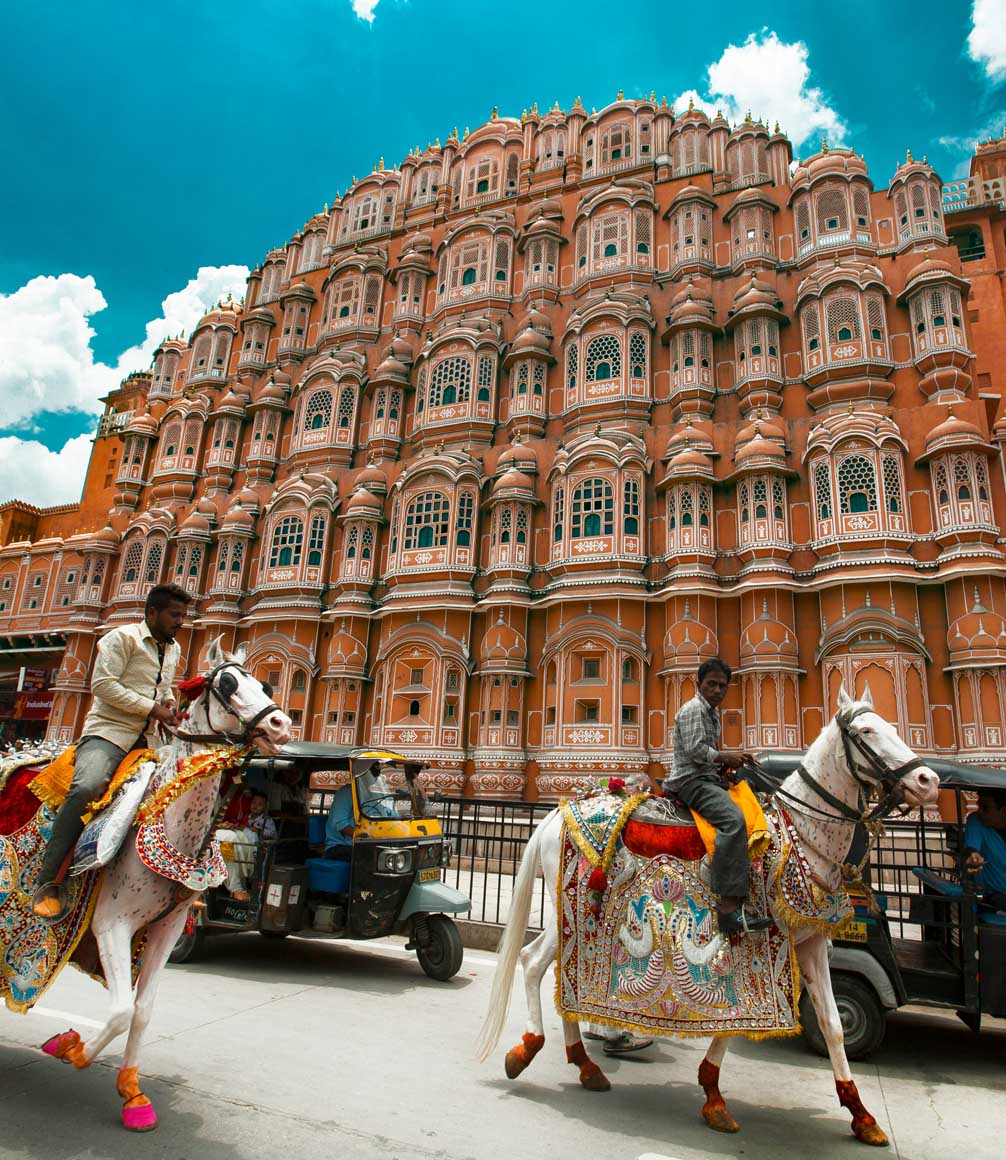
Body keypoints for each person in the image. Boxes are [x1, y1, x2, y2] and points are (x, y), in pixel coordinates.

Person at [33, 583, 190, 918]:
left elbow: (163, 691)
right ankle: (47, 881)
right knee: (88, 786)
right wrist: (151, 708)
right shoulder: (122, 639)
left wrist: (170, 707)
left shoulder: (174, 649)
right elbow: (102, 685)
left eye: (183, 615)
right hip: (109, 734)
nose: (181, 621)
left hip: (149, 741)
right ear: (152, 612)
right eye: (175, 614)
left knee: (180, 793)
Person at [663, 657, 771, 937]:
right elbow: (696, 752)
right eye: (711, 684)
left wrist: (728, 766)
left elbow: (708, 756)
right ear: (699, 684)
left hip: (706, 778)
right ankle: (728, 909)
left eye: (722, 686)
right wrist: (729, 756)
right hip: (690, 782)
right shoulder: (693, 710)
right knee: (734, 820)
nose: (717, 690)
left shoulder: (710, 712)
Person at [216, 791, 277, 902]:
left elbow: (271, 834)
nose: (255, 806)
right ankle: (235, 886)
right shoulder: (246, 816)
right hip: (235, 840)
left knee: (242, 839)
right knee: (228, 843)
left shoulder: (266, 820)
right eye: (254, 803)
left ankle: (242, 881)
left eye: (260, 804)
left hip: (253, 844)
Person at [962, 789, 1006, 912]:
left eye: (985, 808)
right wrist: (973, 857)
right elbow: (971, 849)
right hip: (994, 896)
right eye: (979, 806)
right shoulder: (976, 821)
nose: (979, 811)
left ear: (1003, 811)